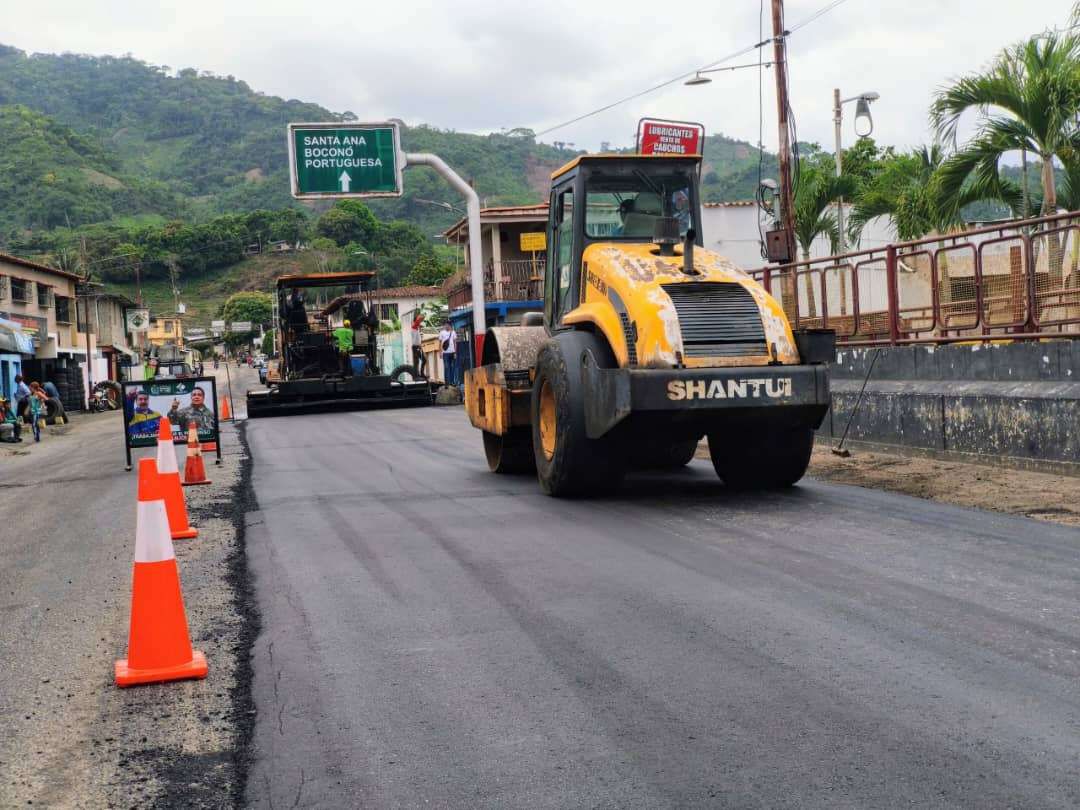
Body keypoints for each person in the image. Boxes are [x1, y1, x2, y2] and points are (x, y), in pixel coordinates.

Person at [438, 322, 457, 387]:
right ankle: (446, 383)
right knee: (446, 367)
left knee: (452, 367)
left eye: (447, 325)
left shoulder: (453, 332)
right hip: (445, 353)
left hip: (452, 352)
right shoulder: (442, 333)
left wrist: (455, 352)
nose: (446, 326)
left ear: (450, 326)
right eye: (445, 325)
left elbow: (455, 343)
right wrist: (440, 352)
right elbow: (440, 343)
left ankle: (452, 382)